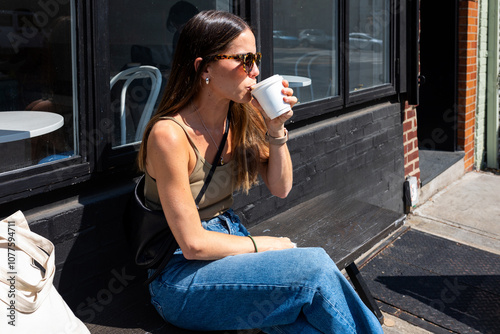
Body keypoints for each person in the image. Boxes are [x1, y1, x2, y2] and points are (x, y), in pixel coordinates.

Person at [137, 10, 384, 334]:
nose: (255, 70)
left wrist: (276, 128)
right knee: (314, 268)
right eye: (244, 60)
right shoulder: (168, 135)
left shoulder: (240, 117)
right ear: (204, 67)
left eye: (256, 58)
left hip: (231, 246)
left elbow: (280, 187)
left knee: (307, 326)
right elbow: (193, 243)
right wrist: (265, 244)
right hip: (180, 277)